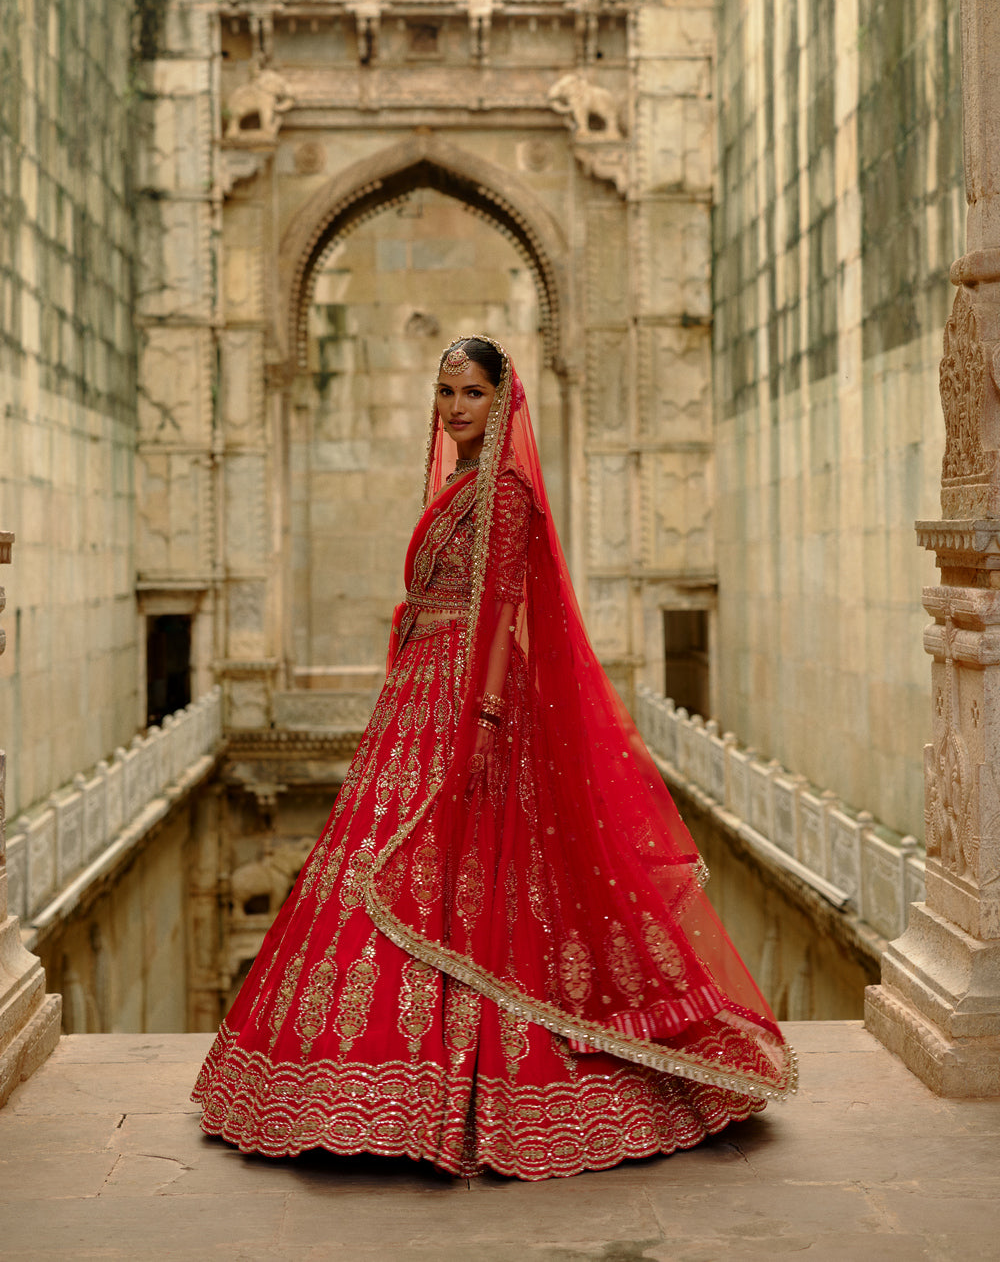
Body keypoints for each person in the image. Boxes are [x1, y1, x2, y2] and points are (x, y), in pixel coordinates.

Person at [193, 335, 796, 1181]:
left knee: (480, 879)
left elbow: (499, 608)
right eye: (445, 393)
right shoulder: (459, 487)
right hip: (421, 689)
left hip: (473, 701)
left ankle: (481, 1089)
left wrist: (479, 718)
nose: (455, 409)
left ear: (501, 399)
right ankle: (361, 1087)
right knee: (393, 866)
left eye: (471, 392)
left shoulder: (504, 493)